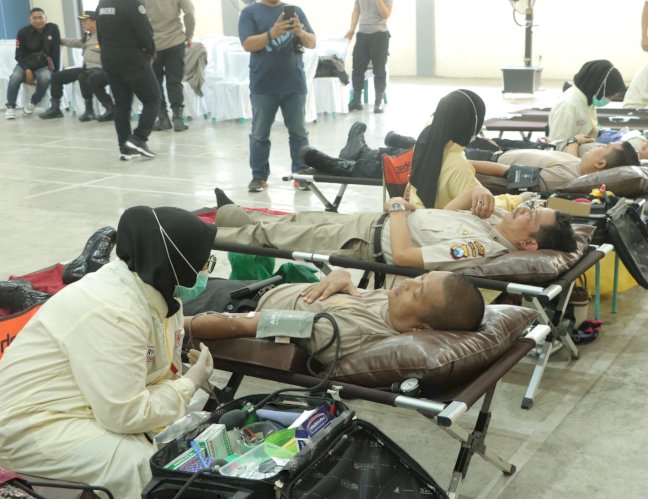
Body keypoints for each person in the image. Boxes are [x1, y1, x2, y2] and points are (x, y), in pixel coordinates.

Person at [0, 206, 217, 498]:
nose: (205, 272)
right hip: (33, 424)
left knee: (181, 447)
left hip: (89, 406)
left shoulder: (160, 293)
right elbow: (125, 413)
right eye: (204, 263)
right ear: (177, 260)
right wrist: (189, 384)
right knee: (141, 467)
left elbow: (155, 377)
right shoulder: (114, 309)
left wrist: (181, 381)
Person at [213, 187, 577, 272]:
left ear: (529, 244)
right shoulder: (498, 222)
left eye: (531, 215)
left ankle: (194, 235)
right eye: (531, 206)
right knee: (292, 221)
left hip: (362, 240)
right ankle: (229, 212)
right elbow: (447, 213)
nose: (524, 209)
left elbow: (403, 257)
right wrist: (475, 192)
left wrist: (399, 209)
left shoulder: (482, 249)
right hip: (369, 222)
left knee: (271, 237)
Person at [184, 268, 484, 366]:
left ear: (419, 329)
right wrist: (341, 276)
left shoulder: (348, 331)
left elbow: (242, 324)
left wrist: (169, 324)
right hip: (258, 287)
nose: (408, 283)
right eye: (420, 278)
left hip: (230, 305)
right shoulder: (394, 306)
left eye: (417, 293)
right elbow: (351, 290)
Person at [238, 0, 317, 193]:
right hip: (263, 85)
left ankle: (300, 174)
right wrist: (272, 33)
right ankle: (259, 176)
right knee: (259, 133)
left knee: (299, 133)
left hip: (294, 84)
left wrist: (300, 32)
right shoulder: (250, 13)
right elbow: (247, 44)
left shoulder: (296, 11)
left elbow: (312, 42)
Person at [406, 89, 497, 215]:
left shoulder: (426, 142)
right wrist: (516, 200)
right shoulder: (458, 165)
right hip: (439, 224)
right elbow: (483, 209)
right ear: (471, 125)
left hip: (419, 217)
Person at [96, 0, 161, 160]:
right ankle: (138, 138)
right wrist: (151, 52)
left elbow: (100, 34)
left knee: (121, 105)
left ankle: (125, 148)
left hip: (109, 58)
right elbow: (145, 32)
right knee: (153, 99)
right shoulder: (132, 4)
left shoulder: (102, 4)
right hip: (131, 58)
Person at [473, 137, 641, 193]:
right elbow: (569, 156)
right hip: (497, 152)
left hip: (487, 161)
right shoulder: (580, 166)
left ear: (600, 163)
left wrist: (466, 163)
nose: (597, 146)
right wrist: (574, 141)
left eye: (604, 147)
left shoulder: (564, 178)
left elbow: (508, 172)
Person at [39, 11, 114, 122]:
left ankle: (91, 110)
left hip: (99, 68)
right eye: (82, 21)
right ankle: (55, 108)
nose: (83, 23)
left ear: (94, 22)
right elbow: (74, 42)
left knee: (84, 77)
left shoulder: (104, 36)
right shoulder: (87, 37)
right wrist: (58, 40)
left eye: (85, 21)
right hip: (86, 68)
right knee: (57, 77)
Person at [141, 0, 196, 132]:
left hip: (153, 44)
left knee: (155, 82)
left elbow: (137, 15)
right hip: (175, 41)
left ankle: (163, 118)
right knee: (175, 81)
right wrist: (189, 35)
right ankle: (178, 119)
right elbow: (189, 12)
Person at [547, 60, 627, 141]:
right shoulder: (567, 106)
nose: (609, 100)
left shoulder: (588, 101)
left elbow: (588, 130)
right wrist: (594, 141)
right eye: (610, 96)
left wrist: (599, 133)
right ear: (598, 87)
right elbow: (558, 144)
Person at [4, 8, 60, 120]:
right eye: (35, 18)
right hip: (25, 64)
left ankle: (33, 103)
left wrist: (56, 70)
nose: (38, 20)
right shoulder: (22, 32)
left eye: (40, 17)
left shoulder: (53, 28)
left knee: (45, 78)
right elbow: (18, 55)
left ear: (45, 18)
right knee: (15, 77)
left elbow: (55, 51)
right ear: (30, 19)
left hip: (44, 64)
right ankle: (10, 106)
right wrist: (27, 69)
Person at [345, 0, 393, 114]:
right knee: (357, 68)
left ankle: (378, 102)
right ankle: (357, 100)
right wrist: (352, 29)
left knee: (379, 70)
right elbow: (357, 9)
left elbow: (386, 14)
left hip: (380, 34)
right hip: (362, 34)